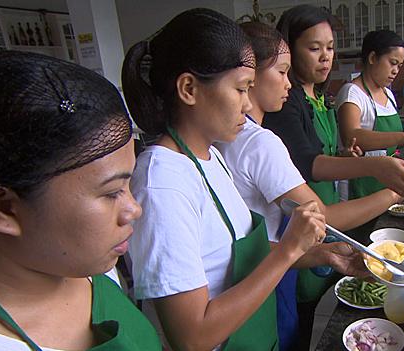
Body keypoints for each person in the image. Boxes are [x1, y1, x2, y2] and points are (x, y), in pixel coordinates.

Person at [122, 9, 331, 351]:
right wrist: (289, 249)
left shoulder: (210, 156)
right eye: (240, 89)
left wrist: (321, 254)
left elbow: (230, 257)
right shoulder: (162, 183)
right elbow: (192, 337)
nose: (248, 104)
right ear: (189, 88)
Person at [262, 5, 404, 349]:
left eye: (329, 47)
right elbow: (309, 163)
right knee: (302, 314)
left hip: (324, 213)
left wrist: (345, 158)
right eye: (314, 48)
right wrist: (378, 171)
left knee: (325, 293)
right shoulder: (288, 104)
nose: (325, 57)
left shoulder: (319, 98)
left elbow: (321, 154)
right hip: (303, 214)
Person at [216, 21, 390, 350]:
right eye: (281, 72)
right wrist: (393, 191)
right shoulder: (258, 142)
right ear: (249, 76)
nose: (288, 82)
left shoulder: (225, 138)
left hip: (258, 264)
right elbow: (321, 215)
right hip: (266, 272)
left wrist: (322, 253)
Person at [0, 51, 161, 350]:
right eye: (111, 192)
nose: (134, 209)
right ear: (3, 208)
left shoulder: (91, 267)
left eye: (128, 184)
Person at [336, 30, 404, 199]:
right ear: (372, 58)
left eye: (399, 66)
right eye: (392, 63)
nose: (396, 71)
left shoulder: (388, 95)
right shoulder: (352, 93)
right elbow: (352, 136)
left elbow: (387, 143)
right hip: (359, 184)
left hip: (386, 179)